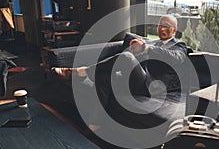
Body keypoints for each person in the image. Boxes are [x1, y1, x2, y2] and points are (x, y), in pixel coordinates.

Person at [52, 15, 188, 107]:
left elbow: (177, 58)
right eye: (160, 26)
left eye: (166, 26)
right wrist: (137, 51)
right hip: (140, 80)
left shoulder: (179, 46)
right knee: (103, 74)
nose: (162, 29)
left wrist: (145, 48)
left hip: (153, 88)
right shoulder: (154, 44)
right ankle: (96, 123)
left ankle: (81, 72)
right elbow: (139, 62)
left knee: (126, 57)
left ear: (174, 30)